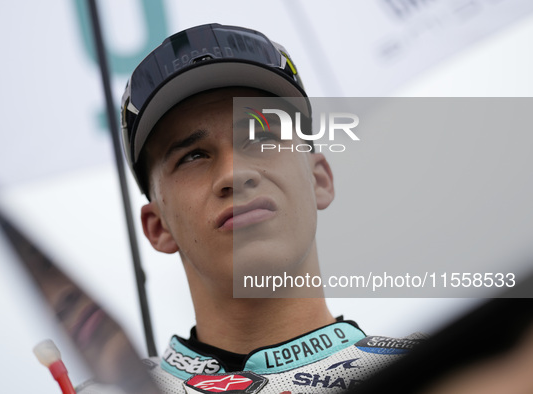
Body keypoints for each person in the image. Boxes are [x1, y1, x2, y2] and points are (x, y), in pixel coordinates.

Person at [120, 23, 424, 393]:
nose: (234, 173)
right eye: (193, 155)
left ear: (320, 181)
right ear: (158, 227)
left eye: (261, 136)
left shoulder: (452, 374)